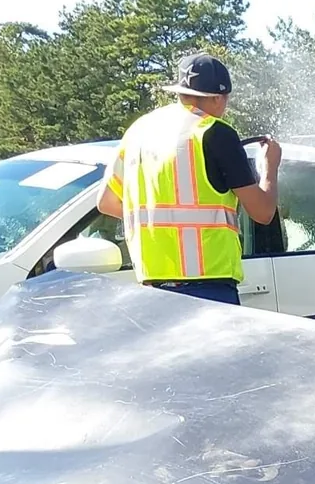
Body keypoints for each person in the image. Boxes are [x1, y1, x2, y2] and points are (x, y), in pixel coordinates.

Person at [96, 52, 279, 304]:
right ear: (217, 97)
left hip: (151, 288)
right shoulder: (215, 132)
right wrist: (270, 166)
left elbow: (106, 202)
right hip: (209, 287)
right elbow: (263, 213)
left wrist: (161, 229)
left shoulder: (138, 130)